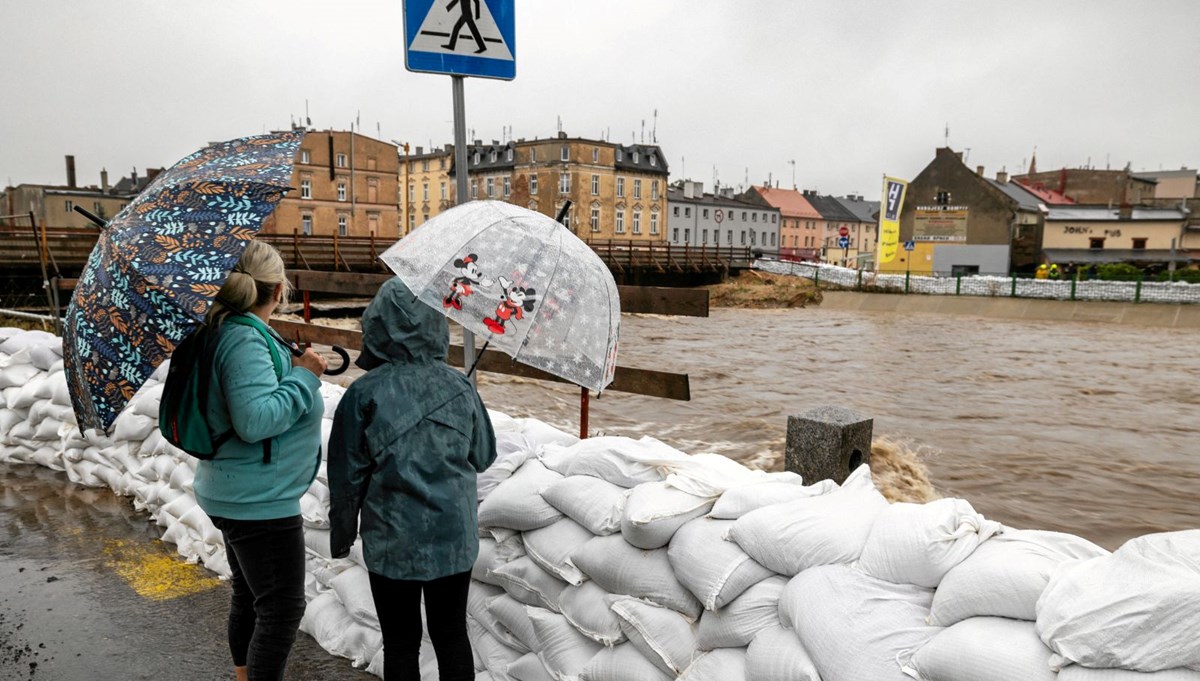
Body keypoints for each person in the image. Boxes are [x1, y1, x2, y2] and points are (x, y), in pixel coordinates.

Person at [328, 278, 496, 681]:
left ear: (378, 326)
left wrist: (341, 535)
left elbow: (345, 477)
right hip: (453, 539)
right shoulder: (459, 386)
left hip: (393, 540)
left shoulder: (363, 394)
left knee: (401, 640)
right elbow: (484, 455)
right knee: (452, 632)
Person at [193, 239, 328, 681]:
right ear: (278, 290)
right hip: (258, 500)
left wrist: (293, 366)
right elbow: (254, 420)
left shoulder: (228, 327)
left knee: (251, 596)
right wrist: (305, 378)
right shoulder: (242, 338)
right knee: (282, 609)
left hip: (236, 489)